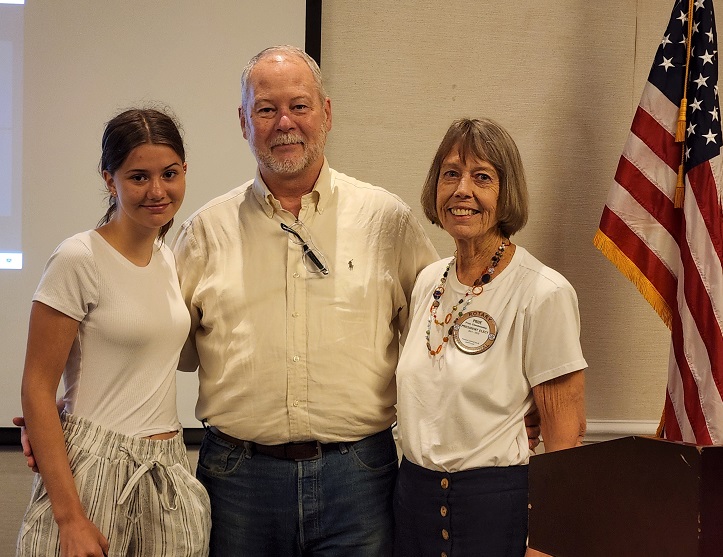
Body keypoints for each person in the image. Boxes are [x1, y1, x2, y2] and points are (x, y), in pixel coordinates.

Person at [171, 44, 438, 556]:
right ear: (244, 122)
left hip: (359, 479)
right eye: (266, 109)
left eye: (299, 105)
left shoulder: (386, 221)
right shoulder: (205, 230)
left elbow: (437, 337)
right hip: (238, 482)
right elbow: (155, 346)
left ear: (327, 113)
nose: (284, 123)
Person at [16, 108, 211, 557]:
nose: (157, 190)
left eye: (170, 173)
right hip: (91, 469)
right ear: (110, 180)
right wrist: (69, 517)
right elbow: (36, 386)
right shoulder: (77, 258)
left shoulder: (167, 257)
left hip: (169, 468)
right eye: (138, 177)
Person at [393, 118, 587, 557]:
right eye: (450, 174)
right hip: (413, 506)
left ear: (506, 193)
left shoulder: (543, 292)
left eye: (482, 177)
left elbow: (565, 440)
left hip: (496, 512)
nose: (463, 190)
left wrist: (546, 544)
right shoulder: (428, 281)